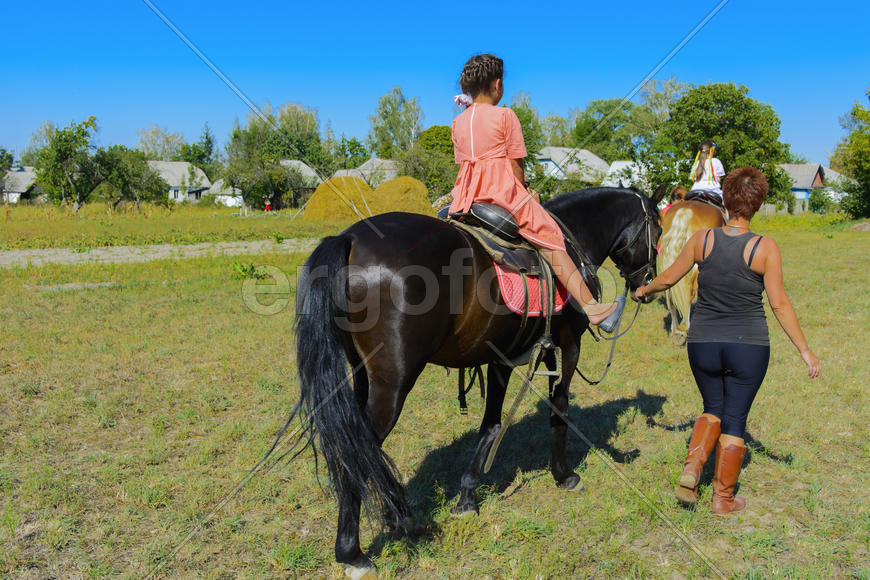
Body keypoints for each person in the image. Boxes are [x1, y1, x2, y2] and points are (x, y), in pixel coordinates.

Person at [633, 167, 820, 515]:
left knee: (711, 408)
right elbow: (779, 304)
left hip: (702, 343)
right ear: (758, 204)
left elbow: (670, 277)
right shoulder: (765, 248)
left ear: (726, 200)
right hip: (747, 346)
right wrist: (805, 350)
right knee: (734, 419)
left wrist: (644, 290)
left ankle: (692, 469)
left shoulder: (702, 240)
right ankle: (723, 500)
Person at [448, 54, 624, 331]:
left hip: (466, 194)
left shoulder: (458, 122)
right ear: (497, 85)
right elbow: (516, 166)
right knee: (549, 236)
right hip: (500, 191)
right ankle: (593, 308)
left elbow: (464, 163)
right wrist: (526, 192)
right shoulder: (505, 115)